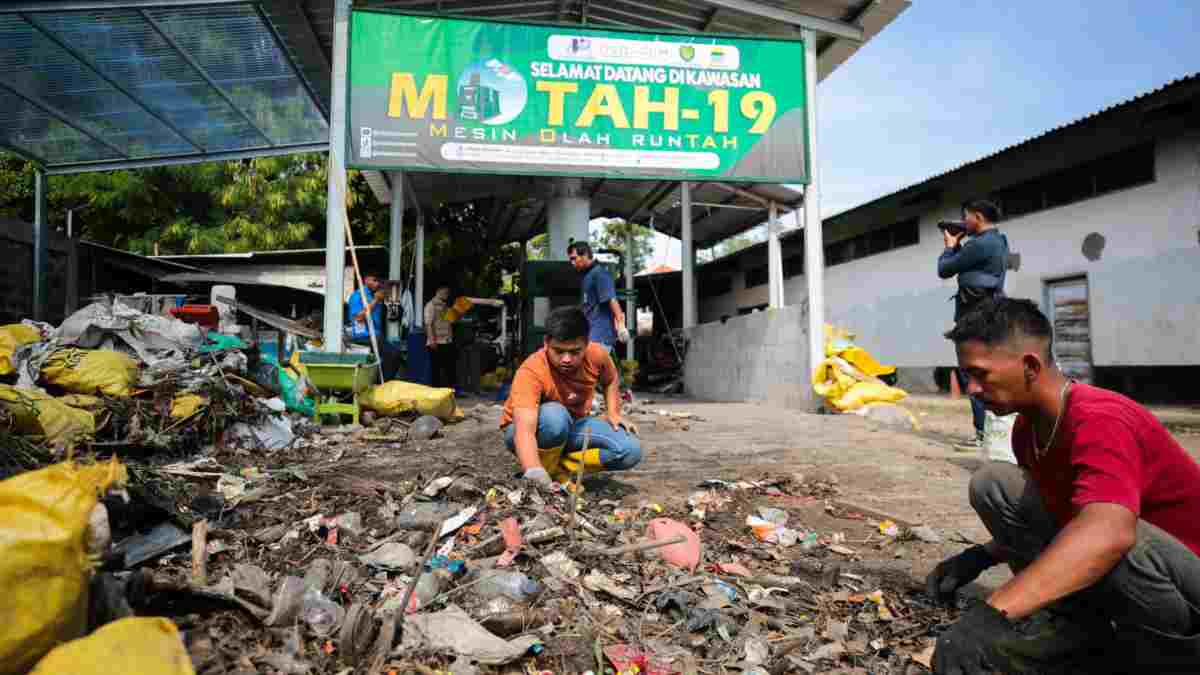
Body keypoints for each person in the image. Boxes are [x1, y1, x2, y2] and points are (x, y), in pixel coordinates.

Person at [927, 297, 1200, 674]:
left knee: (1110, 533)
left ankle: (1157, 654)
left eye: (980, 373)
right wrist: (981, 557)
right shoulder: (1028, 429)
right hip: (1142, 573)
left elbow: (1109, 533)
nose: (971, 388)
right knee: (995, 483)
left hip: (1187, 591)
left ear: (1030, 367)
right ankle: (1075, 625)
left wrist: (994, 611)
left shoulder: (1100, 419)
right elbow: (1061, 512)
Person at [501, 305, 642, 487]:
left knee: (630, 451)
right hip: (526, 432)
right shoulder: (531, 371)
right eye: (559, 351)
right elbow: (524, 431)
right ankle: (540, 469)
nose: (566, 359)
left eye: (575, 351)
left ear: (586, 343)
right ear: (546, 343)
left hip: (573, 426)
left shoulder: (597, 354)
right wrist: (534, 471)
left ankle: (560, 469)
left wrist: (613, 412)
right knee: (554, 417)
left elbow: (611, 379)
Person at [937, 199, 1009, 451]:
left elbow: (944, 269)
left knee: (974, 373)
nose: (963, 222)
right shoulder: (998, 241)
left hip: (974, 319)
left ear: (977, 217)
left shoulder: (979, 245)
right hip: (990, 314)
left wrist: (950, 247)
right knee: (987, 372)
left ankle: (982, 432)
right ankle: (990, 430)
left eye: (966, 217)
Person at [567, 241, 630, 353]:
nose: (572, 262)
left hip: (599, 337)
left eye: (574, 258)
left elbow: (612, 300)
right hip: (589, 335)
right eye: (570, 259)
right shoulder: (586, 276)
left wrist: (621, 325)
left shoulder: (599, 274)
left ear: (585, 255)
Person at [346, 272, 401, 380]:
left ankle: (380, 380)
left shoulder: (374, 295)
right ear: (366, 280)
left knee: (392, 354)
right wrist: (375, 301)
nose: (377, 283)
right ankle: (382, 382)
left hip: (375, 335)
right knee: (393, 354)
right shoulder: (358, 296)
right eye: (374, 280)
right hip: (363, 336)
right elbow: (358, 318)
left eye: (378, 281)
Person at [423, 284, 456, 389]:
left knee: (449, 368)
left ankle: (449, 391)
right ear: (439, 291)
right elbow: (428, 324)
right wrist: (432, 341)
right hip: (436, 342)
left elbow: (450, 322)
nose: (447, 295)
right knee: (436, 369)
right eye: (445, 292)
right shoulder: (430, 305)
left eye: (448, 293)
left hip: (447, 341)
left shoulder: (445, 306)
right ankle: (436, 391)